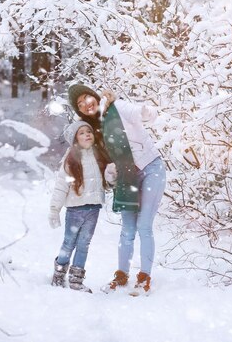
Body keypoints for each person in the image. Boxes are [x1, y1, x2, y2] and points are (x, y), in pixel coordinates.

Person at [68, 84, 166, 296]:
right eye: (80, 104)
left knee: (144, 226)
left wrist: (145, 111)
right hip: (127, 178)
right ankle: (121, 276)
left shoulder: (117, 108)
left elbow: (144, 114)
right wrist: (110, 175)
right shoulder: (94, 133)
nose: (86, 104)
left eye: (87, 97)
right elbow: (105, 170)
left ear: (94, 96)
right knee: (127, 230)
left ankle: (144, 277)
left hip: (151, 168)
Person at [49, 120, 113, 292]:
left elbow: (107, 181)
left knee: (84, 244)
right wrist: (54, 210)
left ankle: (76, 280)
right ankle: (59, 273)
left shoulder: (99, 155)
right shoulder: (71, 159)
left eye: (89, 131)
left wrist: (112, 176)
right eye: (82, 133)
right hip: (75, 209)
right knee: (69, 243)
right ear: (75, 139)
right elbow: (61, 186)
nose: (87, 135)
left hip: (93, 209)